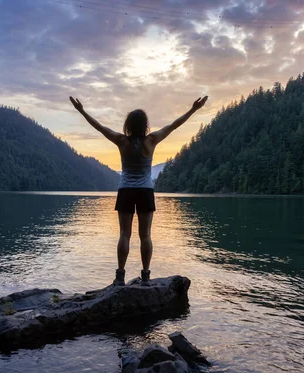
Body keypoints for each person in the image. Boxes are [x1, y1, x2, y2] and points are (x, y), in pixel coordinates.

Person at [69, 95, 208, 286]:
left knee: (124, 234)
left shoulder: (121, 141)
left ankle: (120, 276)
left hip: (126, 190)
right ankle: (145, 275)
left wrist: (81, 111)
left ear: (128, 125)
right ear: (145, 125)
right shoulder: (151, 141)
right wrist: (193, 109)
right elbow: (174, 125)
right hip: (145, 191)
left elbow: (100, 128)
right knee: (146, 235)